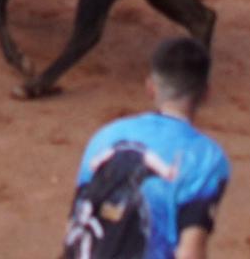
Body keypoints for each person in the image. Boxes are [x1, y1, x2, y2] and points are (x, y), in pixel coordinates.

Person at [64, 38, 230, 259]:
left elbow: (75, 225)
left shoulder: (105, 137)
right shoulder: (205, 158)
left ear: (150, 87)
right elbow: (189, 252)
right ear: (206, 94)